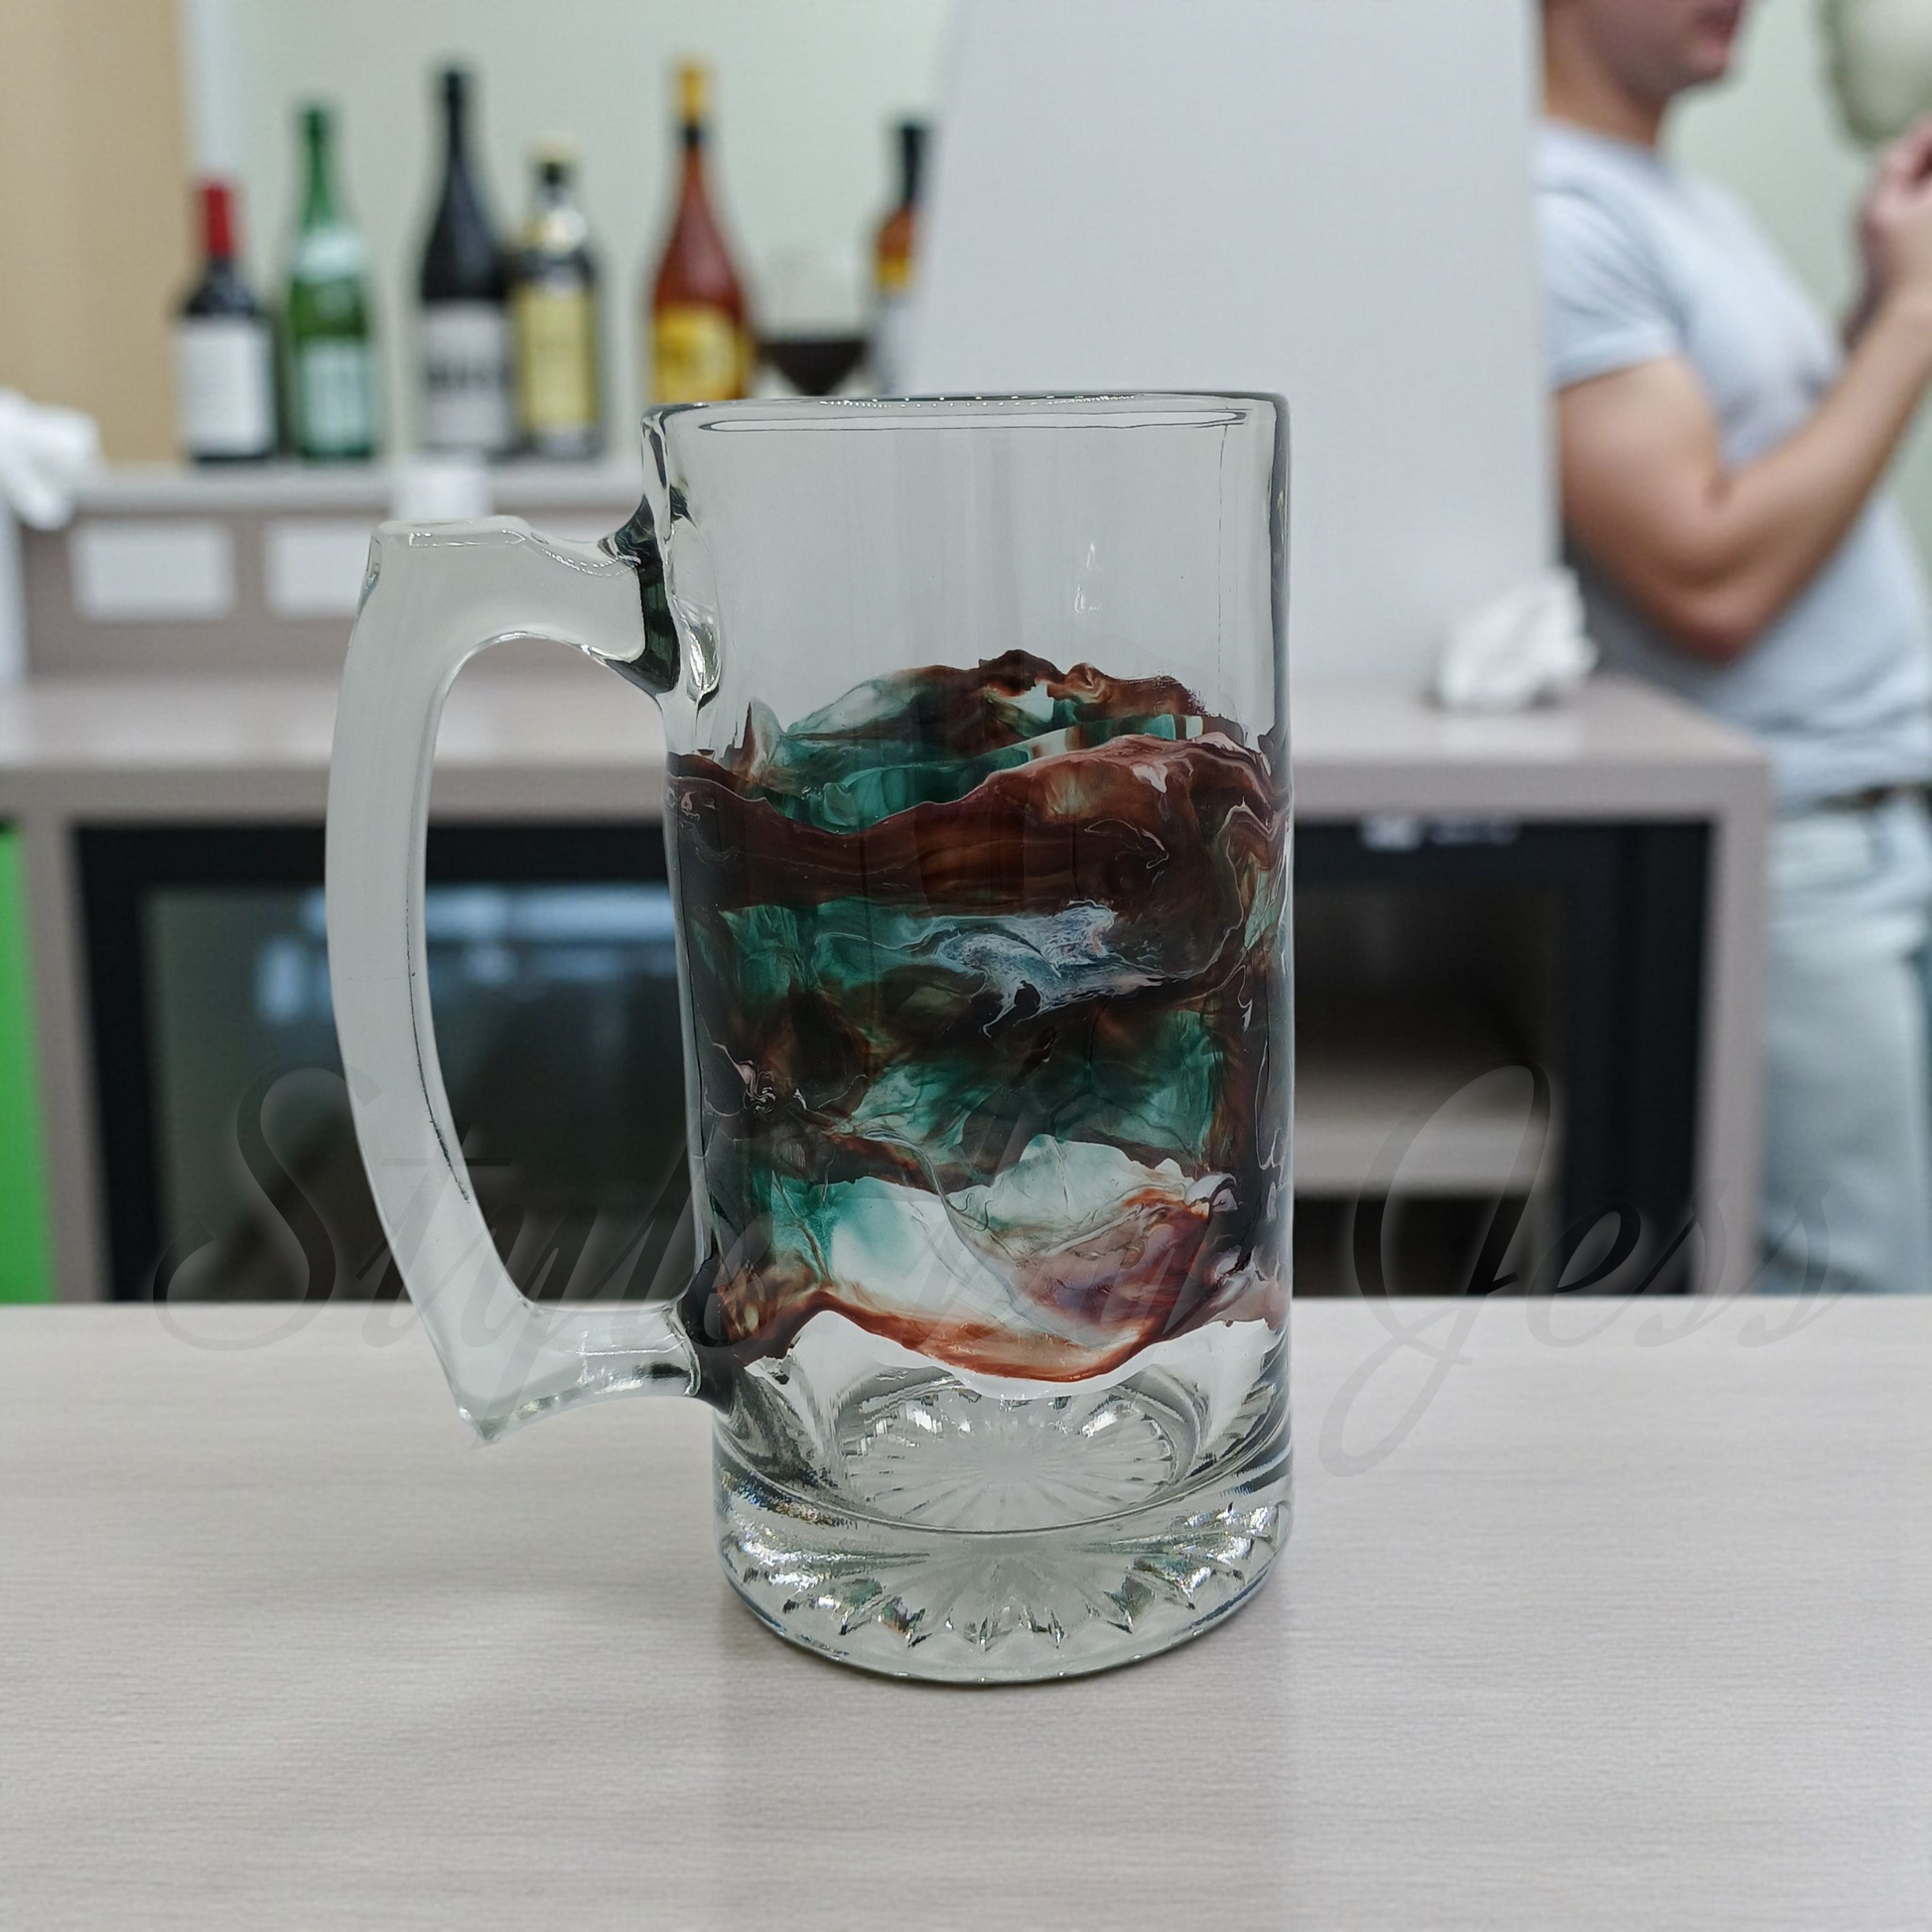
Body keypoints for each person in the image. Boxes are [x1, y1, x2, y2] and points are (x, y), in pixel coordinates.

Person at [1539, 0, 1932, 1293]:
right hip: (1796, 843)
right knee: (1855, 1311)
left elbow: (1764, 469)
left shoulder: (1659, 196)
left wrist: (1877, 288)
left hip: (1865, 818)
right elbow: (1704, 573)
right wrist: (1917, 315)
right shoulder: (1553, 213)